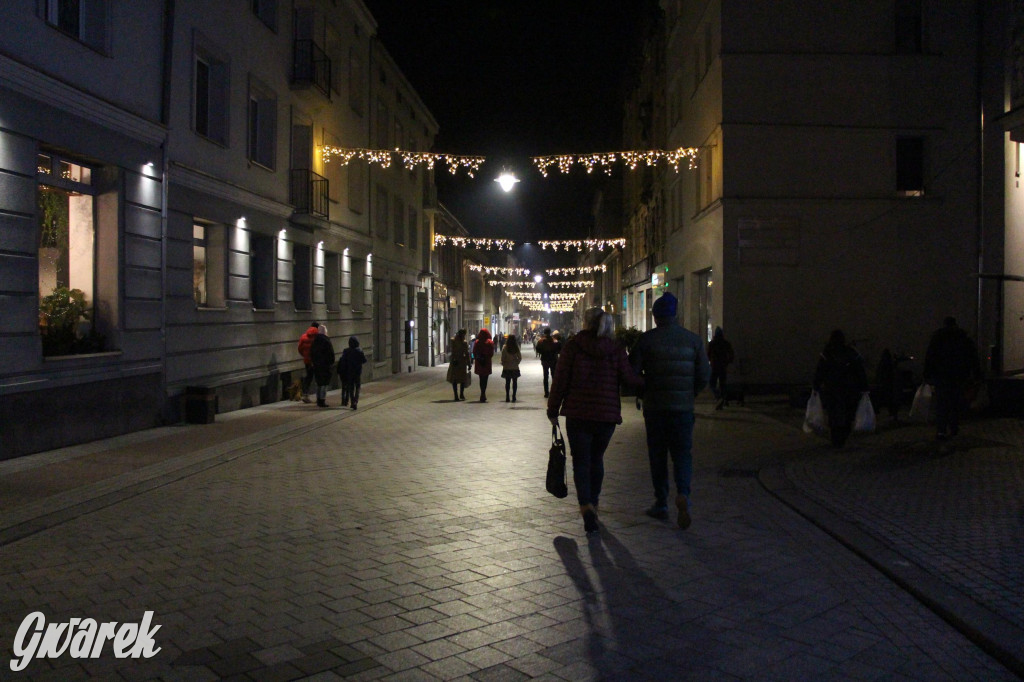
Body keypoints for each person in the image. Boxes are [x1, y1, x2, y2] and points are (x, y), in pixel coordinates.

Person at [548, 308, 643, 535]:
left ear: (586, 323)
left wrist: (553, 408)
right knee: (596, 459)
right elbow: (629, 379)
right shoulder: (616, 349)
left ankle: (585, 505)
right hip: (606, 415)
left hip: (578, 414)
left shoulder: (572, 346)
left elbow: (560, 379)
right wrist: (651, 383)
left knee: (581, 461)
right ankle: (595, 502)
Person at [630, 292, 710, 529]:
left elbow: (632, 374)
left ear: (655, 316)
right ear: (676, 315)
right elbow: (704, 375)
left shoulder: (646, 341)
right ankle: (683, 493)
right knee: (682, 454)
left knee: (658, 455)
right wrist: (690, 393)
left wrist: (645, 390)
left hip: (655, 408)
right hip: (683, 409)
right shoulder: (694, 341)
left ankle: (661, 502)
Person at [923, 316, 981, 440]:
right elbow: (973, 357)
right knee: (955, 402)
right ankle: (954, 427)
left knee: (942, 403)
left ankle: (941, 430)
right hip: (958, 376)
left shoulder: (937, 340)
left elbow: (930, 357)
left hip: (941, 376)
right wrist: (976, 374)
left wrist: (927, 375)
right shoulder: (963, 339)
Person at [813, 329, 868, 448]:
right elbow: (860, 370)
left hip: (832, 389)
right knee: (847, 415)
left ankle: (836, 439)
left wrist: (816, 386)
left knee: (834, 415)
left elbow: (820, 371)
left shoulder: (827, 353)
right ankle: (841, 437)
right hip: (849, 390)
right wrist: (864, 387)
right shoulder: (850, 352)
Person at [707, 327, 735, 410]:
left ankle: (718, 396)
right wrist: (729, 361)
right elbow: (731, 353)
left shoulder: (712, 343)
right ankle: (723, 400)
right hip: (723, 365)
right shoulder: (726, 343)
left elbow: (708, 354)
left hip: (714, 365)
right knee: (723, 384)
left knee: (712, 383)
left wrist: (710, 361)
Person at [337, 336, 367, 410]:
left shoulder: (346, 351)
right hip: (357, 372)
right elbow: (364, 360)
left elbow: (343, 361)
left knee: (351, 387)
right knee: (357, 387)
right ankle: (355, 401)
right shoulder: (359, 351)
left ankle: (352, 401)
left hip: (349, 372)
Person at [309, 325, 335, 408]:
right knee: (324, 383)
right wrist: (331, 363)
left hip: (317, 366)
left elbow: (311, 353)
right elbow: (331, 354)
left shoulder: (314, 341)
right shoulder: (327, 341)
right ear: (325, 332)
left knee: (318, 383)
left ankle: (318, 399)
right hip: (325, 366)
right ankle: (322, 400)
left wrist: (313, 362)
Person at [296, 321, 320, 404]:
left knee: (309, 377)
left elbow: (299, 348)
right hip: (316, 361)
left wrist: (305, 355)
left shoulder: (303, 336)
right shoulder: (318, 337)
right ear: (317, 328)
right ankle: (319, 396)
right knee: (318, 378)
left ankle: (305, 395)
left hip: (307, 361)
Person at [446, 329, 471, 401]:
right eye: (464, 334)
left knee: (459, 379)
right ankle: (458, 395)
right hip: (458, 362)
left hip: (457, 362)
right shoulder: (459, 342)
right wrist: (468, 363)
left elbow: (466, 353)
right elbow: (466, 353)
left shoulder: (459, 341)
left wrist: (469, 363)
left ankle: (459, 394)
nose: (464, 336)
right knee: (457, 379)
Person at [536, 328, 561, 398]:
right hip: (553, 360)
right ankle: (554, 392)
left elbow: (537, 349)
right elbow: (559, 348)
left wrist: (543, 353)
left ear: (544, 332)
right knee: (553, 376)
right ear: (550, 332)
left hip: (545, 360)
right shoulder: (554, 340)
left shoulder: (541, 341)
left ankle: (546, 392)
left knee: (545, 376)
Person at [473, 328, 495, 402]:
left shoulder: (477, 342)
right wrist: (486, 357)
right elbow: (491, 353)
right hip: (487, 363)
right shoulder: (490, 342)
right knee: (485, 379)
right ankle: (483, 393)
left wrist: (476, 358)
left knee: (481, 378)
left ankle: (482, 392)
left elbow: (474, 352)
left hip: (479, 363)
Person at [501, 334, 523, 402]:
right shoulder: (516, 347)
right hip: (515, 368)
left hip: (507, 367)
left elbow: (502, 358)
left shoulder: (505, 347)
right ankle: (514, 396)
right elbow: (520, 357)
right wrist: (517, 362)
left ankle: (507, 396)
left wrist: (504, 363)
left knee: (507, 382)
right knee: (515, 382)